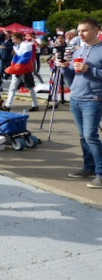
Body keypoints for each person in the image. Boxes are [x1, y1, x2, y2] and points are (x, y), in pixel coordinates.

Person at [60, 18, 102, 189]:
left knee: (91, 136)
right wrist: (64, 68)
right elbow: (73, 76)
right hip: (76, 97)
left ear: (96, 30)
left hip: (93, 99)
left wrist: (89, 70)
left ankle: (100, 173)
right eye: (78, 31)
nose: (80, 34)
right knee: (83, 136)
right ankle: (89, 167)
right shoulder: (78, 51)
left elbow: (91, 72)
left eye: (84, 30)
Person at [0, 32, 39, 112]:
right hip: (18, 69)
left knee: (29, 87)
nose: (13, 41)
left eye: (14, 39)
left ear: (18, 38)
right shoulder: (20, 46)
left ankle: (35, 105)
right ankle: (8, 106)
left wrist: (16, 67)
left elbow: (25, 58)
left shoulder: (26, 45)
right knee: (13, 87)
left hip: (23, 69)